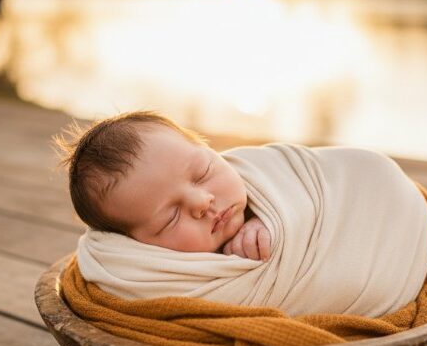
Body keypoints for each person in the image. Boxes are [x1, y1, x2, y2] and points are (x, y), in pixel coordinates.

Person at [56, 111, 272, 261]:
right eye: (171, 218)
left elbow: (296, 183)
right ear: (135, 245)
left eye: (203, 173)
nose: (202, 202)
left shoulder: (267, 177)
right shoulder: (159, 280)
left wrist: (269, 221)